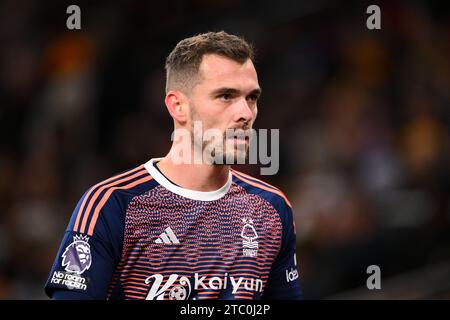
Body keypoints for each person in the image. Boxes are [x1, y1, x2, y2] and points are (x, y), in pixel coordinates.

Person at [44, 31, 303, 300]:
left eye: (252, 98)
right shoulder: (112, 204)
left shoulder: (272, 208)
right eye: (226, 96)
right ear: (178, 106)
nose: (246, 114)